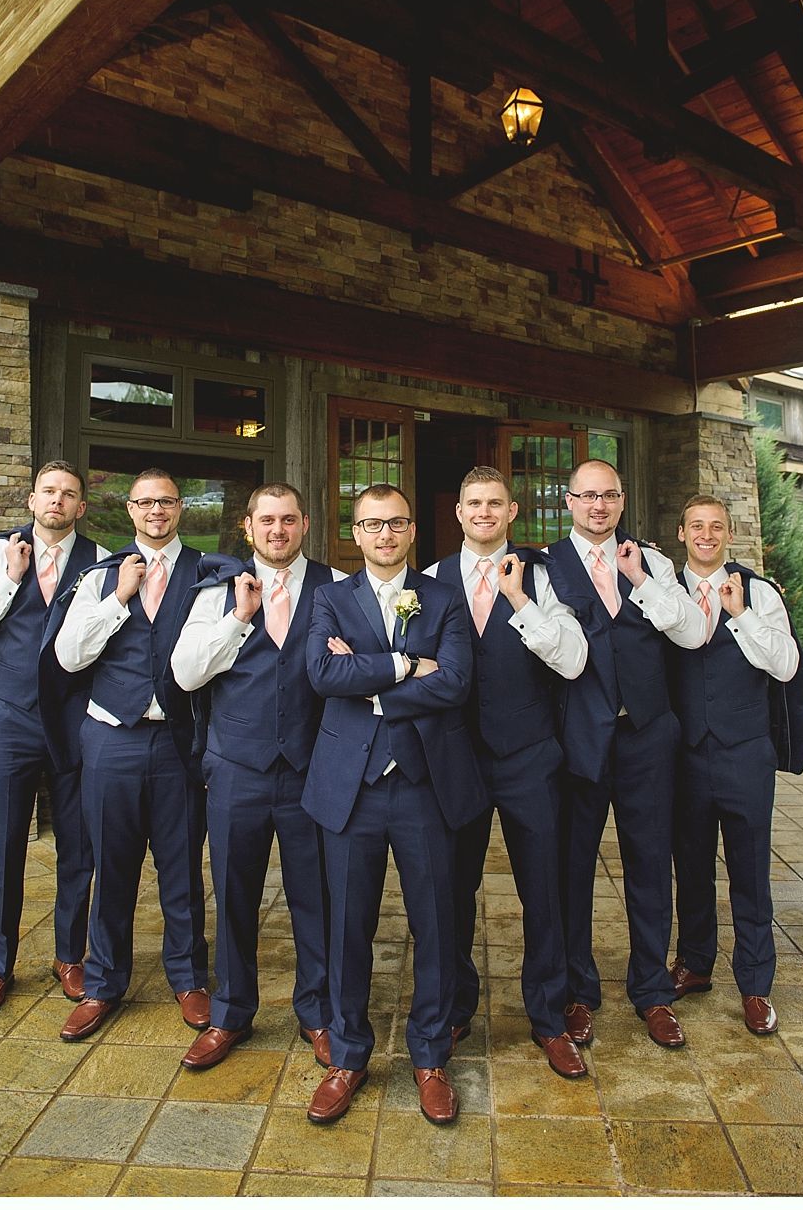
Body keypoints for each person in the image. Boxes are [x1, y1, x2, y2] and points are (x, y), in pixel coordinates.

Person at [301, 485, 487, 1126]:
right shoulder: (329, 598)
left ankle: (430, 1056)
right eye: (373, 524)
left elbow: (456, 682)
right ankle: (348, 1055)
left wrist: (371, 681)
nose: (385, 534)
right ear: (355, 533)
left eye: (397, 523)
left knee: (436, 925)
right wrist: (408, 665)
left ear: (412, 531)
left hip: (424, 786)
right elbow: (322, 676)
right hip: (349, 788)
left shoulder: (444, 596)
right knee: (347, 928)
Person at [169, 483, 346, 1071]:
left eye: (288, 520)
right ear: (248, 527)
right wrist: (239, 619)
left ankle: (318, 1011)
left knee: (315, 900)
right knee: (234, 896)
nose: (277, 530)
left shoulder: (336, 588)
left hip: (310, 771)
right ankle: (231, 1012)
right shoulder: (217, 591)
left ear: (305, 525)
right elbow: (186, 674)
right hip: (237, 769)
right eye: (266, 520)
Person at [424, 466, 589, 1079]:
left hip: (528, 757)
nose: (484, 513)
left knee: (543, 890)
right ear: (459, 512)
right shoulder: (430, 580)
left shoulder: (540, 578)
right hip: (455, 760)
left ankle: (548, 1016)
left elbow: (573, 661)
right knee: (451, 890)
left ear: (512, 511)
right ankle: (455, 1006)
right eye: (474, 503)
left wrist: (520, 600)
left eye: (495, 503)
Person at [543, 459, 707, 1050]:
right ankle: (577, 991)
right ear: (568, 502)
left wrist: (642, 580)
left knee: (650, 864)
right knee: (573, 869)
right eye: (588, 495)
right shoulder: (545, 567)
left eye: (609, 495)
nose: (599, 505)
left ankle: (653, 990)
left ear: (622, 499)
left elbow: (691, 633)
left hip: (647, 737)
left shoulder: (654, 562)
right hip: (580, 739)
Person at [53, 470, 209, 1041]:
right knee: (111, 865)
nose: (155, 511)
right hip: (111, 737)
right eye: (145, 503)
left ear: (180, 507)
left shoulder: (208, 573)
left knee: (181, 867)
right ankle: (102, 983)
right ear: (130, 510)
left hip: (177, 741)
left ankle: (189, 978)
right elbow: (69, 656)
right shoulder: (101, 575)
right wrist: (119, 597)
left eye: (165, 502)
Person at [0, 461, 105, 1016]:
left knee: (77, 845)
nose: (57, 501)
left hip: (73, 720)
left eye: (69, 494)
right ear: (32, 500)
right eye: (48, 491)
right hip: (11, 718)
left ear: (81, 506)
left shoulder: (99, 561)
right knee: (5, 842)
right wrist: (10, 579)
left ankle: (70, 955)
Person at [669, 494, 801, 1036]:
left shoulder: (759, 592)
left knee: (749, 872)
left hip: (745, 753)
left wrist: (740, 614)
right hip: (683, 755)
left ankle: (755, 983)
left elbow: (786, 666)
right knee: (691, 867)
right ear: (681, 533)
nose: (707, 535)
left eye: (716, 526)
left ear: (729, 534)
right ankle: (696, 962)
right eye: (697, 526)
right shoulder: (661, 589)